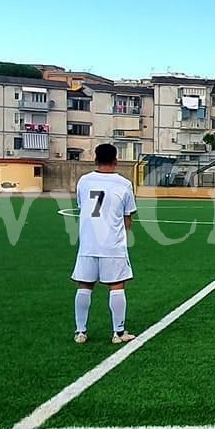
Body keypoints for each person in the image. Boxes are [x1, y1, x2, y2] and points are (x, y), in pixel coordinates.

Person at [70, 144, 137, 345]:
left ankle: (80, 332)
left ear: (95, 158)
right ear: (116, 159)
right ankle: (118, 333)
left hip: (88, 243)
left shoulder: (84, 181)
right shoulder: (124, 183)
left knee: (85, 285)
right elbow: (128, 216)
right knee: (116, 286)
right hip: (112, 244)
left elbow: (83, 206)